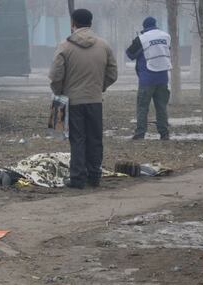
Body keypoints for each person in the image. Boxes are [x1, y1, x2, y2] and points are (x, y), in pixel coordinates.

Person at [49, 9, 118, 189]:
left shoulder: (64, 46)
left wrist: (60, 93)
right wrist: (99, 87)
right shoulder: (104, 45)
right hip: (95, 100)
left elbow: (56, 75)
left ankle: (78, 179)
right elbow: (112, 73)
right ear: (91, 23)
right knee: (95, 139)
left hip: (73, 102)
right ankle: (94, 176)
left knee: (77, 139)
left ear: (73, 23)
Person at [126, 17, 172, 140]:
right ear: (155, 24)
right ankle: (164, 133)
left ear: (144, 27)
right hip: (163, 78)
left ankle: (140, 133)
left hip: (147, 79)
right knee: (161, 107)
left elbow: (130, 54)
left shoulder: (142, 39)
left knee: (142, 107)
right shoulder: (166, 36)